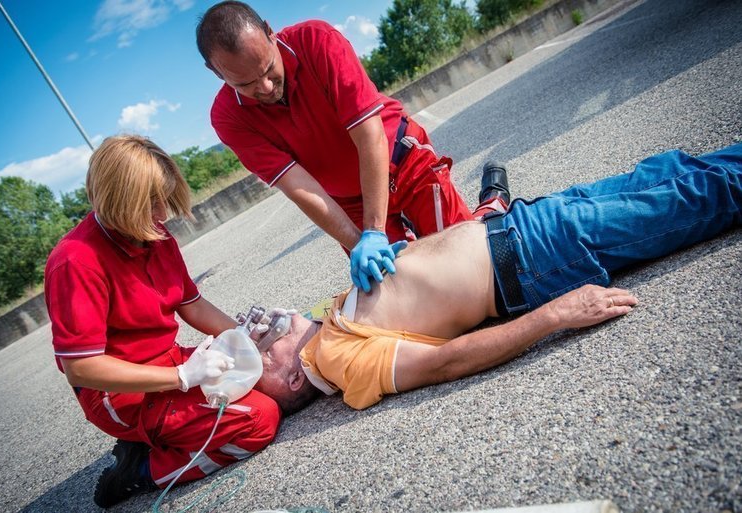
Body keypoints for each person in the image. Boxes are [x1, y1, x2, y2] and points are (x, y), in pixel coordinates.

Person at [251, 144, 742, 412]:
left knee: (672, 171)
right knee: (700, 197)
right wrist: (557, 315)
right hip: (538, 257)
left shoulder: (328, 322)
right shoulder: (340, 362)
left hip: (521, 224)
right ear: (294, 376)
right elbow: (443, 363)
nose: (258, 334)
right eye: (260, 353)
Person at [44, 135, 282, 508]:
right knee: (258, 421)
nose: (163, 213)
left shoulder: (152, 234)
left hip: (170, 362)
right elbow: (82, 367)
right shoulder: (76, 261)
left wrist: (244, 337)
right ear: (119, 200)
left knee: (268, 381)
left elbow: (193, 304)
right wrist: (182, 378)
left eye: (165, 199)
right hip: (121, 392)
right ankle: (139, 472)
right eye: (152, 203)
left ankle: (160, 435)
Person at [196, 2, 496, 293]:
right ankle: (481, 216)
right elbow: (300, 187)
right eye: (246, 84)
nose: (265, 88)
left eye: (268, 69)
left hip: (401, 161)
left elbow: (369, 137)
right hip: (348, 203)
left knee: (470, 265)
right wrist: (360, 244)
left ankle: (493, 205)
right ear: (215, 72)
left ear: (270, 32)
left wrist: (375, 232)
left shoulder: (317, 41)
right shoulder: (227, 117)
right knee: (403, 290)